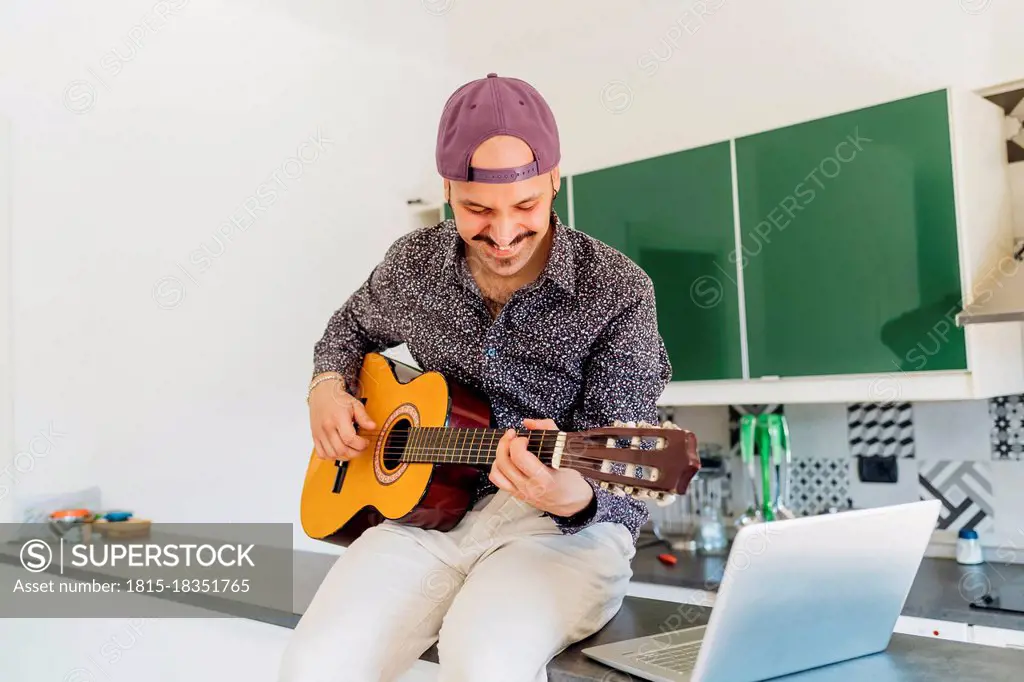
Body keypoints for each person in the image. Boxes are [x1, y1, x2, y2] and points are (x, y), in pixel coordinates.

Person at [279, 72, 672, 682]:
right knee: (314, 666)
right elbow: (347, 331)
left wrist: (573, 493)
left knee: (484, 661)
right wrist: (326, 386)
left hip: (562, 531)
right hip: (425, 516)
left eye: (527, 206)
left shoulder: (616, 291)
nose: (505, 232)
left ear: (554, 183)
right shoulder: (414, 265)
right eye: (477, 209)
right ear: (448, 192)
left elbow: (623, 469)